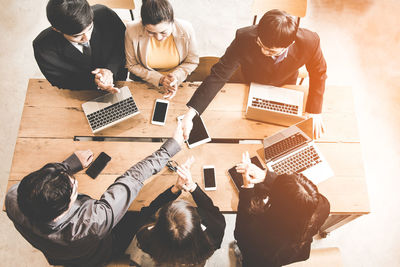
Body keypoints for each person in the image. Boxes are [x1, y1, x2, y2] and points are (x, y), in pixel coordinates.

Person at [5, 124, 184, 267]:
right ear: (66, 206)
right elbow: (131, 179)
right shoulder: (92, 222)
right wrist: (169, 148)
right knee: (135, 220)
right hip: (99, 254)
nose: (75, 181)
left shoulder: (13, 198)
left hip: (60, 256)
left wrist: (68, 165)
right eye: (73, 186)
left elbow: (38, 181)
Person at [181, 9, 327, 138]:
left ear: (289, 45)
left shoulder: (311, 42)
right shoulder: (244, 37)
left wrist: (314, 110)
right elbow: (219, 74)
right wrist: (191, 113)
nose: (264, 52)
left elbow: (319, 73)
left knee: (277, 131)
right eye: (260, 44)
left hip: (286, 83)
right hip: (250, 80)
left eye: (271, 51)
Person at [234, 152, 330, 267]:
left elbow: (242, 228)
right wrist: (266, 176)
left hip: (258, 259)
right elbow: (298, 196)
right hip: (294, 253)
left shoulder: (252, 233)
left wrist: (247, 186)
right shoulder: (323, 206)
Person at [126, 157, 226, 266]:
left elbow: (147, 211)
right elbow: (213, 212)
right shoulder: (211, 239)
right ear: (198, 221)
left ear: (157, 224)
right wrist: (192, 187)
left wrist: (175, 189)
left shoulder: (146, 237)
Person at [33, 0, 127, 93]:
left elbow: (123, 45)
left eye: (90, 28)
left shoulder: (105, 15)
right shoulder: (43, 48)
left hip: (119, 79)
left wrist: (110, 70)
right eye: (77, 36)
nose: (86, 38)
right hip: (81, 92)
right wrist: (95, 80)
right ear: (57, 30)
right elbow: (62, 81)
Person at [125, 0, 199, 99]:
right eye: (150, 32)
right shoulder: (132, 29)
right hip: (144, 83)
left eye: (163, 32)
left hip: (178, 83)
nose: (158, 37)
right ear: (142, 24)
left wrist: (175, 77)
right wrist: (159, 79)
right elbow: (132, 65)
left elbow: (192, 61)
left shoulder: (186, 29)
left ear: (172, 22)